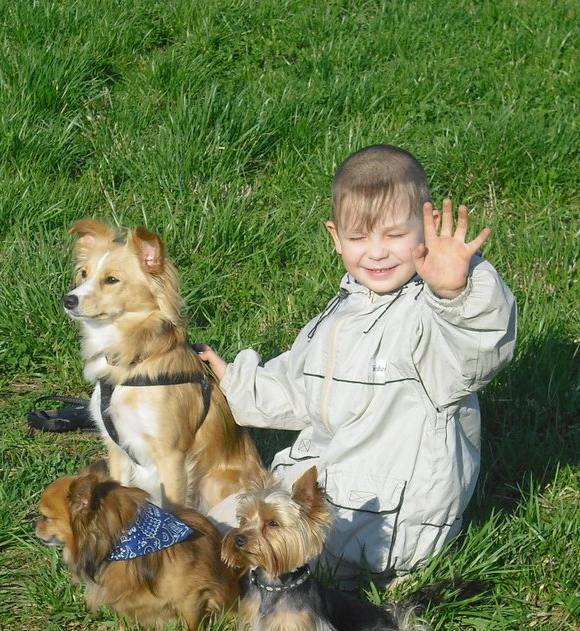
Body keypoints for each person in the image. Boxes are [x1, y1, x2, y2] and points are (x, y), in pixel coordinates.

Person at [197, 144, 517, 586]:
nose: (377, 252)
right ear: (335, 238)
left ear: (424, 230)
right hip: (316, 493)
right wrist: (238, 381)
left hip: (385, 518)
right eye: (359, 238)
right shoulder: (339, 315)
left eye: (394, 235)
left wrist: (456, 293)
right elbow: (298, 385)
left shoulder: (432, 317)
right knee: (201, 530)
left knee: (229, 566)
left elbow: (482, 348)